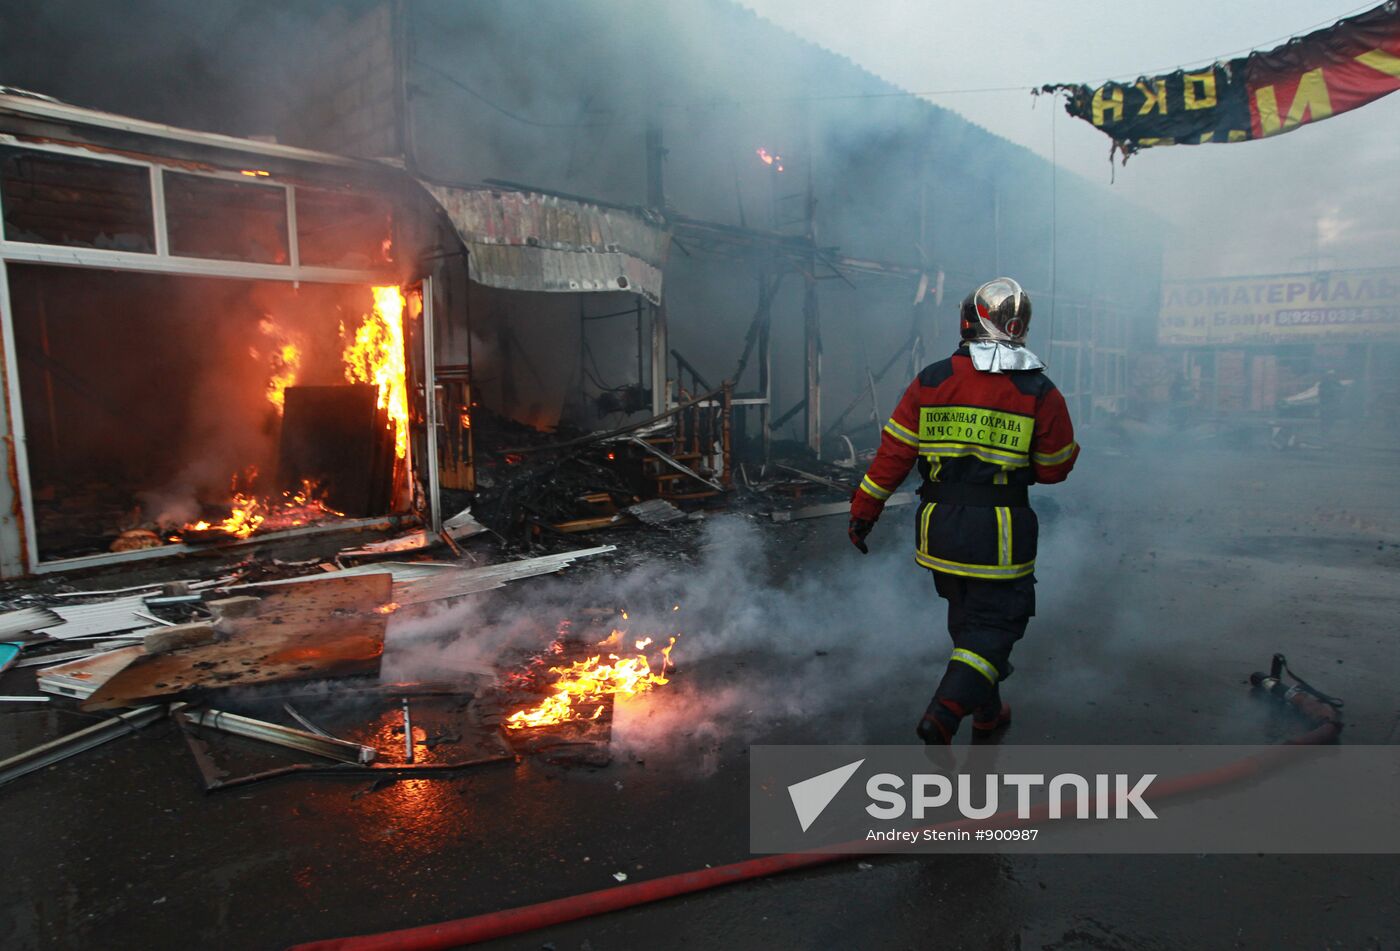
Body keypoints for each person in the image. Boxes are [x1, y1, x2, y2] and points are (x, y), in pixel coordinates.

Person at [848, 278, 1079, 745]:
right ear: (1018, 326)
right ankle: (945, 712)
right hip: (999, 536)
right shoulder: (1039, 390)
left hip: (938, 533)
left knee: (968, 622)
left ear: (968, 320)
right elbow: (1054, 470)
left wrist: (864, 510)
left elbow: (894, 454)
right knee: (996, 627)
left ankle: (987, 713)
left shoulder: (931, 379)